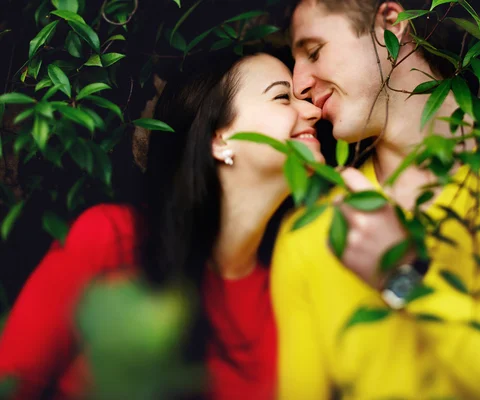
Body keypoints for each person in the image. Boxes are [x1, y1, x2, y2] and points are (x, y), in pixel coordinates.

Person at [271, 0, 480, 399]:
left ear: (391, 23)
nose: (299, 83)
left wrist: (406, 280)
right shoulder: (308, 238)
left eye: (314, 51)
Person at [0, 50, 323, 399]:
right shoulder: (113, 239)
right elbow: (13, 383)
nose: (312, 110)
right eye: (282, 97)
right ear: (220, 137)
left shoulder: (287, 284)